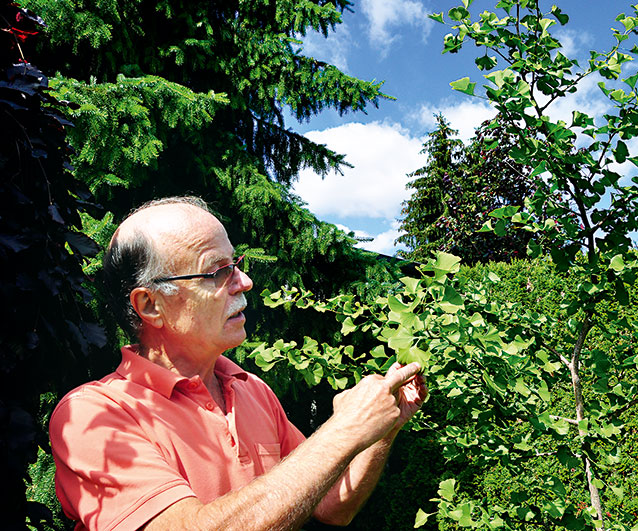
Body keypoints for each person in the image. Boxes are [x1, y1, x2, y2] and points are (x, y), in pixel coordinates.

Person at [49, 196, 427, 531]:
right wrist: (344, 429)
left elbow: (333, 505)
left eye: (237, 263)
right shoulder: (94, 416)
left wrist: (383, 425)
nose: (244, 282)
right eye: (217, 272)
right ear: (150, 305)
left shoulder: (251, 389)